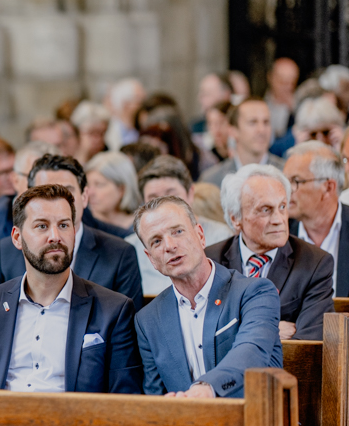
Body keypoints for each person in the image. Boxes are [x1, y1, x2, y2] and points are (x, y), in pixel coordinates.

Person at [0, 185, 142, 393]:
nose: (55, 236)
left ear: (74, 232)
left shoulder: (114, 310)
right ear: (17, 238)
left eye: (63, 225)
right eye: (42, 226)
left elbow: (125, 395)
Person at [132, 196, 283, 398]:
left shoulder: (255, 292)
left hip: (253, 423)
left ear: (200, 235)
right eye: (156, 241)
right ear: (151, 259)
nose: (169, 245)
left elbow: (251, 352)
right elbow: (155, 394)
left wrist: (206, 388)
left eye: (177, 231)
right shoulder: (148, 320)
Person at [0, 155, 143, 311]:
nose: (58, 201)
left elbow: (125, 325)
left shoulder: (119, 255)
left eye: (68, 191)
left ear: (85, 196)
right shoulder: (4, 253)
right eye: (46, 191)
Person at [205, 164, 333, 340]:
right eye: (265, 210)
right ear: (236, 218)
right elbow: (201, 334)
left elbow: (308, 342)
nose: (279, 220)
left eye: (282, 207)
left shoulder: (315, 263)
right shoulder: (210, 262)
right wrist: (268, 330)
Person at [125, 156, 233, 295]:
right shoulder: (130, 248)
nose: (163, 206)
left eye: (171, 195)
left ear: (190, 193)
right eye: (153, 199)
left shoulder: (223, 237)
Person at [0, 141, 59, 258]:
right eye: (35, 178)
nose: (45, 187)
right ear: (15, 180)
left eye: (55, 181)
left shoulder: (76, 215)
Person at [285, 141, 349, 297]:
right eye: (284, 181)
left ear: (328, 188)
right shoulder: (279, 232)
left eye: (295, 181)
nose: (286, 191)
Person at [199, 98, 284, 187]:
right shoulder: (211, 181)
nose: (262, 130)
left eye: (266, 122)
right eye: (253, 122)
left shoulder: (286, 174)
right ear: (233, 130)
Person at [83, 151, 141, 237]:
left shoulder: (141, 227)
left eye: (99, 184)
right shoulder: (83, 223)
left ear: (121, 189)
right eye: (87, 185)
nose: (90, 192)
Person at [103, 78, 145, 151]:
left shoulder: (142, 129)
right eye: (138, 102)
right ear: (125, 103)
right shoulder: (107, 131)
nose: (142, 107)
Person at [265, 57, 300, 138]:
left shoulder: (298, 107)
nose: (288, 87)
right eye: (283, 82)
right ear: (270, 78)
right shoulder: (261, 104)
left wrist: (295, 110)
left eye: (292, 83)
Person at [70, 100, 110, 165]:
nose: (98, 139)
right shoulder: (68, 161)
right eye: (92, 133)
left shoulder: (109, 160)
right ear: (77, 132)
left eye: (102, 133)